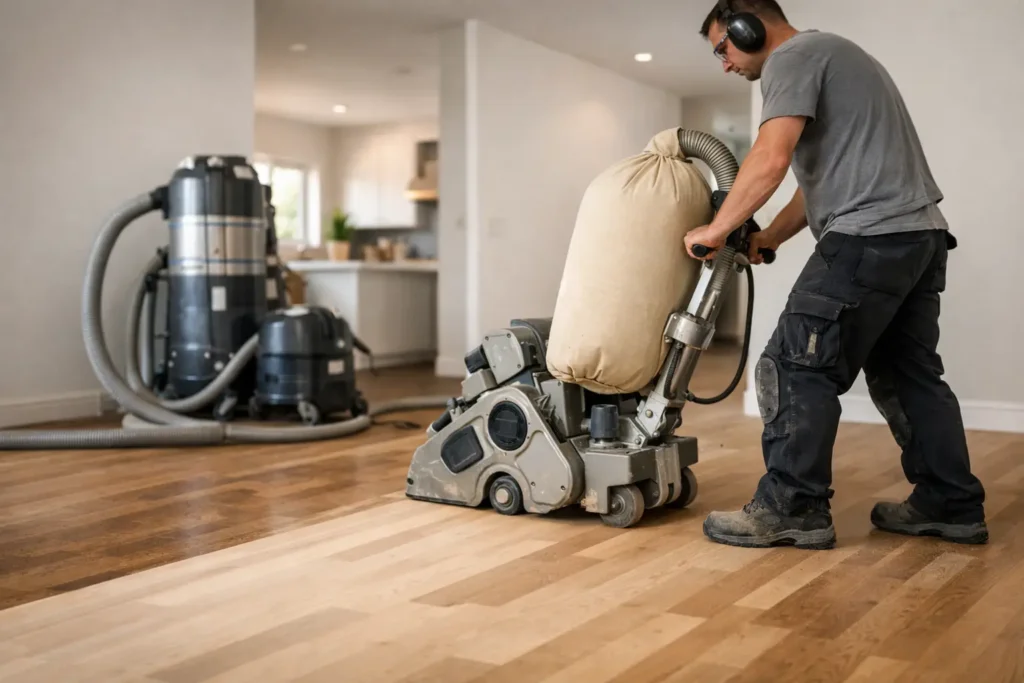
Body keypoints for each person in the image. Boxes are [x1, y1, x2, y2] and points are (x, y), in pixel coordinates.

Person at [683, 0, 988, 549]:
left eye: (723, 47)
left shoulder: (792, 57)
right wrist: (770, 236)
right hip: (917, 236)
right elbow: (814, 182)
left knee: (793, 365)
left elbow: (770, 158)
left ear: (748, 25)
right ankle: (951, 502)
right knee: (907, 375)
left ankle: (792, 507)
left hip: (869, 237)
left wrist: (713, 229)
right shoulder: (840, 55)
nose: (724, 64)